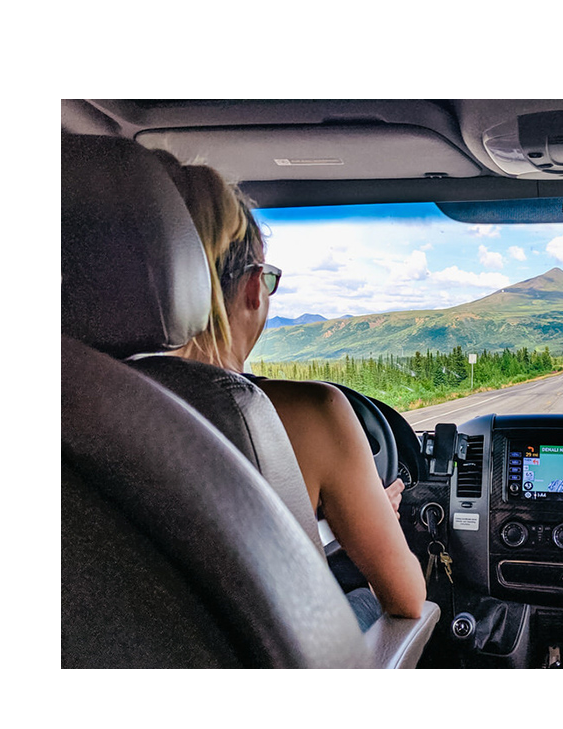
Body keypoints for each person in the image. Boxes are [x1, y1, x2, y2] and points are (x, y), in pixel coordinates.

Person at [151, 150, 426, 630]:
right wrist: (372, 517)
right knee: (364, 598)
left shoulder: (72, 403)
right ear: (256, 288)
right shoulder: (310, 412)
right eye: (269, 278)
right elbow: (407, 599)